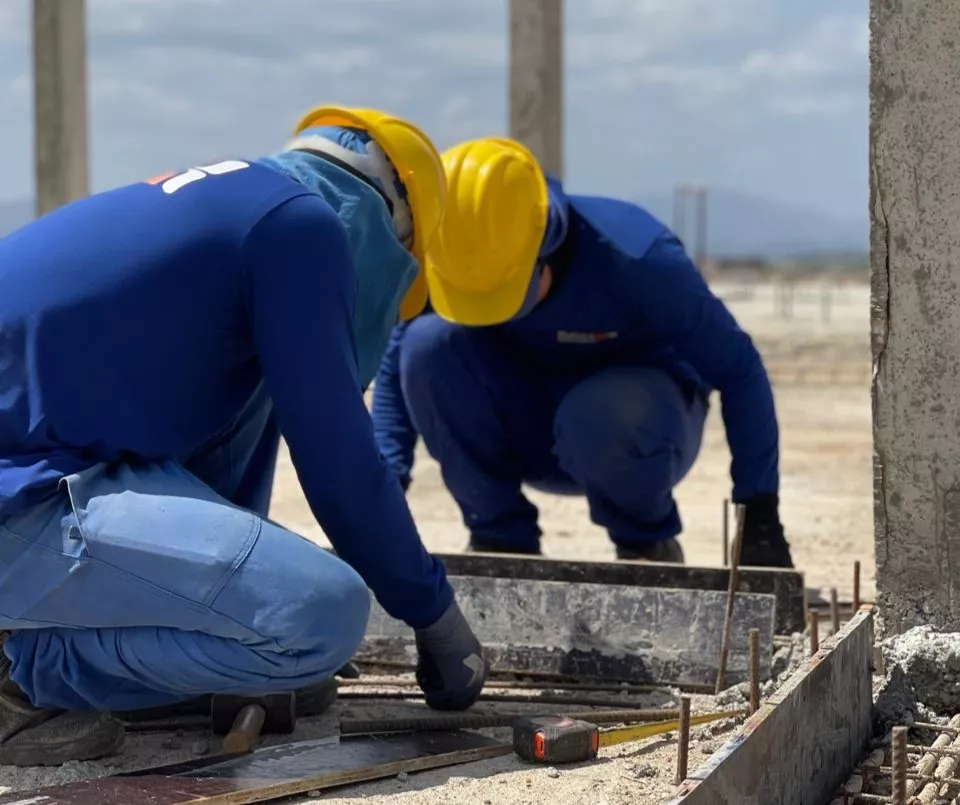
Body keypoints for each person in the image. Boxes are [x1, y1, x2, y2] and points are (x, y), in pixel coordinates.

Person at [0, 106, 488, 768]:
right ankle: (18, 663)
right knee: (321, 614)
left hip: (38, 471)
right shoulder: (302, 227)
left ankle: (131, 653)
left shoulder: (234, 207)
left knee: (251, 387)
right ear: (391, 233)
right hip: (22, 491)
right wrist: (434, 615)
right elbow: (340, 467)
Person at [372, 136, 793, 570]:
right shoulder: (456, 250)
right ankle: (500, 541)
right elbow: (397, 370)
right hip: (530, 426)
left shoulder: (638, 258)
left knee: (598, 411)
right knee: (427, 345)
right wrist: (379, 494)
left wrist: (759, 510)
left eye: (504, 295)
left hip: (636, 431)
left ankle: (645, 546)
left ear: (545, 249)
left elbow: (740, 371)